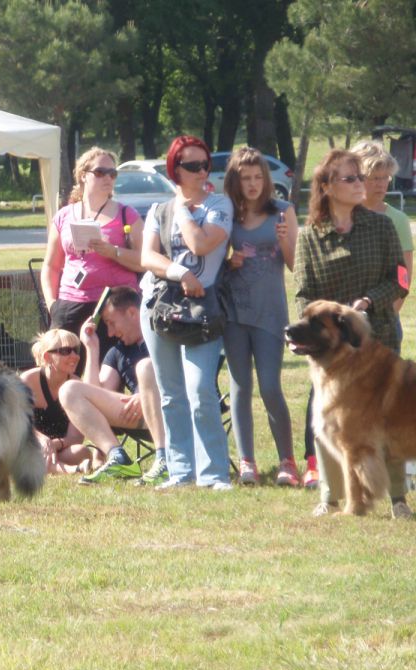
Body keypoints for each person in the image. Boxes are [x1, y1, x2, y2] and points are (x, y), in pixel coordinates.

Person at [293, 149, 411, 519]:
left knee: (389, 421)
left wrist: (366, 302)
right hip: (329, 350)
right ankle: (331, 497)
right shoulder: (309, 236)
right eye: (351, 178)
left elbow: (401, 279)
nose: (361, 184)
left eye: (361, 177)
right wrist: (329, 317)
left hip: (378, 341)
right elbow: (302, 293)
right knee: (329, 423)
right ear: (326, 187)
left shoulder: (381, 225)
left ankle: (398, 501)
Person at [139, 135, 233, 491]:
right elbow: (147, 258)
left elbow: (200, 243)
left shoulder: (219, 205)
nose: (202, 171)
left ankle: (214, 474)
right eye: (192, 166)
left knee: (201, 390)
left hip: (203, 309)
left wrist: (182, 208)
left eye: (205, 164)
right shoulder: (157, 210)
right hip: (159, 305)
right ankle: (181, 472)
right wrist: (180, 273)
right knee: (170, 393)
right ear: (175, 170)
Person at [221, 147, 299, 487]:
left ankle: (287, 461)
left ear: (266, 180)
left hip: (270, 313)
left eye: (258, 177)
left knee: (270, 386)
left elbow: (297, 265)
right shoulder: (227, 214)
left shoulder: (283, 212)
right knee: (239, 387)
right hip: (234, 312)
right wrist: (230, 262)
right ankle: (247, 460)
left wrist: (285, 243)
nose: (252, 184)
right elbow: (214, 265)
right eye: (245, 177)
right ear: (234, 180)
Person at [41, 147, 144, 361]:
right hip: (70, 303)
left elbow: (145, 261)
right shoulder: (64, 216)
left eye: (112, 173)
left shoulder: (127, 214)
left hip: (113, 306)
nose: (107, 177)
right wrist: (53, 304)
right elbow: (51, 266)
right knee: (64, 368)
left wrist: (113, 252)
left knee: (109, 374)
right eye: (100, 172)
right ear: (82, 175)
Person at [60, 286, 168, 485]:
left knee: (146, 367)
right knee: (69, 391)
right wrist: (91, 347)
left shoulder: (162, 335)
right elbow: (96, 396)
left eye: (111, 323)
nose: (109, 332)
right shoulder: (118, 351)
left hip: (170, 408)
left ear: (132, 313)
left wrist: (145, 395)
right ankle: (117, 456)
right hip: (136, 414)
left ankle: (165, 460)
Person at [352, 140, 413, 332]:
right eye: (374, 178)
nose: (381, 184)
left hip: (384, 321)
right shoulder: (341, 217)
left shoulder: (398, 220)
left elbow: (404, 276)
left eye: (385, 177)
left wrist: (390, 315)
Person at [20, 328, 91, 474]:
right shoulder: (27, 381)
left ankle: (53, 466)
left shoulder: (78, 386)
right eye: (65, 351)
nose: (75, 356)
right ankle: (73, 470)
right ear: (47, 357)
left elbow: (75, 437)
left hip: (60, 449)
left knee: (82, 451)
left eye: (75, 350)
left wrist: (54, 444)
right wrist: (42, 440)